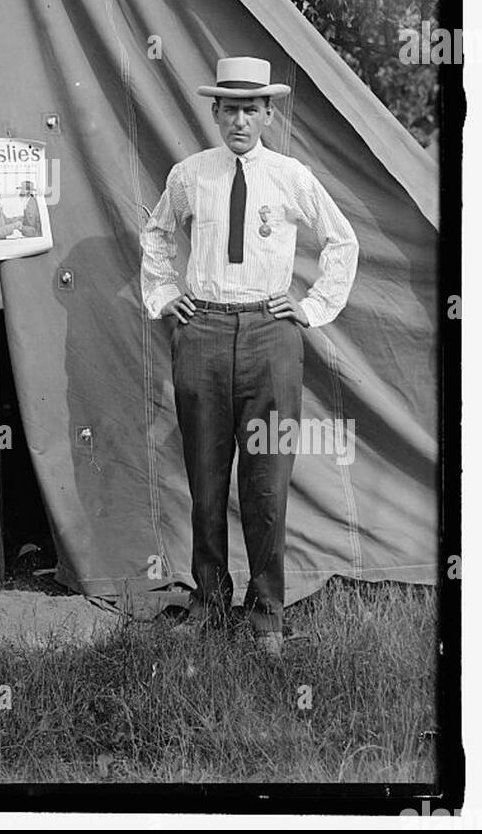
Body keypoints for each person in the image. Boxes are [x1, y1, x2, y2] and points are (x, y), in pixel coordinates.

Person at [140, 56, 358, 657]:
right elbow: (157, 233)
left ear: (268, 115)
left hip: (270, 336)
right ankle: (209, 603)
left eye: (251, 109)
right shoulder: (190, 175)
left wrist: (310, 308)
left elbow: (341, 239)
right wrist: (164, 293)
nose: (240, 120)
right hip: (203, 332)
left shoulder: (290, 176)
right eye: (230, 109)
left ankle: (266, 615)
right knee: (206, 475)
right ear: (215, 112)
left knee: (266, 479)